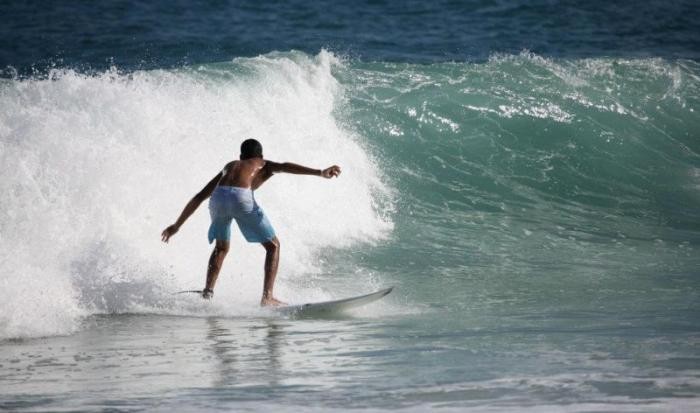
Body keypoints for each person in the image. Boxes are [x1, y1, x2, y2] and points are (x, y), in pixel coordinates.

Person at [161, 139, 341, 306]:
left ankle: (208, 292)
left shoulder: (230, 166)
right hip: (241, 198)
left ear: (240, 157)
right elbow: (285, 166)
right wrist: (319, 172)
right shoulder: (263, 164)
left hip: (218, 199)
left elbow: (200, 196)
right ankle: (267, 297)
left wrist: (176, 226)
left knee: (221, 248)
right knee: (273, 246)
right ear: (260, 156)